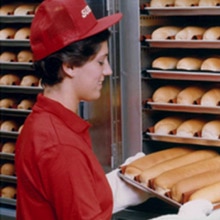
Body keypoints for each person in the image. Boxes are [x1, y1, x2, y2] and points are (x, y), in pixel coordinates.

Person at [15, 0, 149, 219]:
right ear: (69, 66)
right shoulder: (59, 144)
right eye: (100, 62)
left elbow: (63, 197)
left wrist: (116, 187)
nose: (108, 71)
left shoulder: (45, 124)